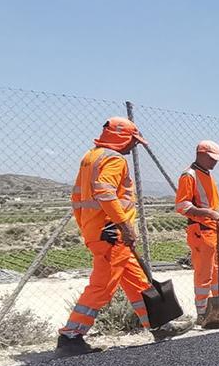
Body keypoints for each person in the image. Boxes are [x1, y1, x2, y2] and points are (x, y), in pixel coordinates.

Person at [57, 117, 167, 353]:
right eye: (132, 140)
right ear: (121, 137)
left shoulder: (90, 157)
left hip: (101, 231)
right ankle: (70, 337)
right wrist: (124, 225)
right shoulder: (115, 159)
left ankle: (158, 325)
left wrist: (88, 228)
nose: (133, 146)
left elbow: (77, 198)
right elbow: (105, 192)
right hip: (112, 233)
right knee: (102, 286)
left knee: (138, 281)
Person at [174, 140, 219, 322]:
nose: (215, 162)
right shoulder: (189, 176)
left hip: (214, 231)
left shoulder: (207, 174)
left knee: (218, 272)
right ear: (201, 154)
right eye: (212, 158)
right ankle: (202, 313)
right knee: (204, 273)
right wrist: (208, 213)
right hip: (201, 232)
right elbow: (182, 206)